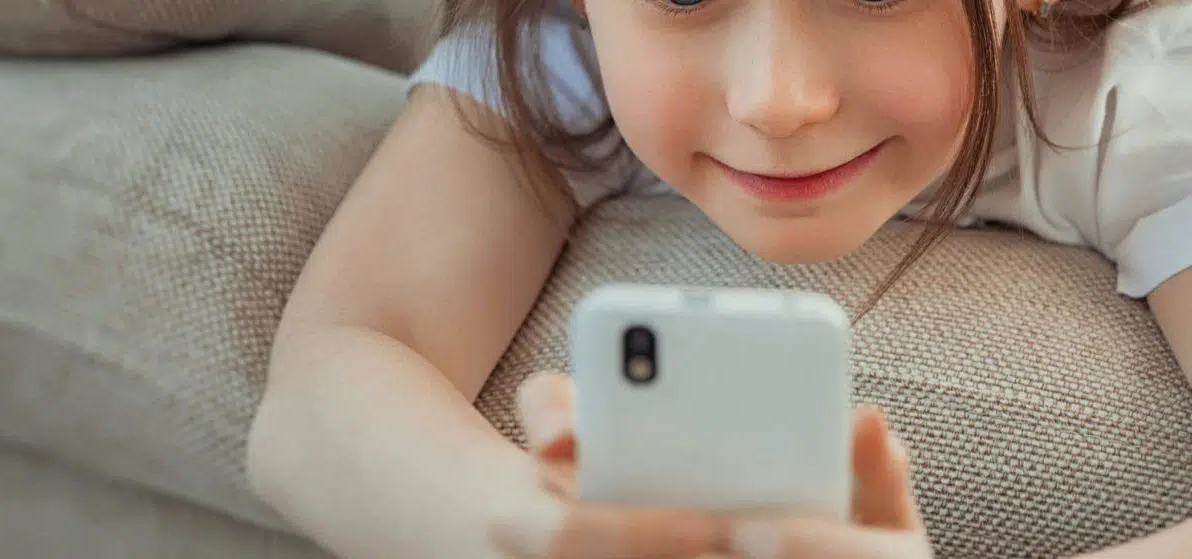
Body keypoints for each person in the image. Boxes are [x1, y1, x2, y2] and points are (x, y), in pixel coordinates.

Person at [246, 0, 1192, 556]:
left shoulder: (1146, 94)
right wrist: (521, 527)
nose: (775, 99)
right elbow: (329, 380)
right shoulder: (563, 53)